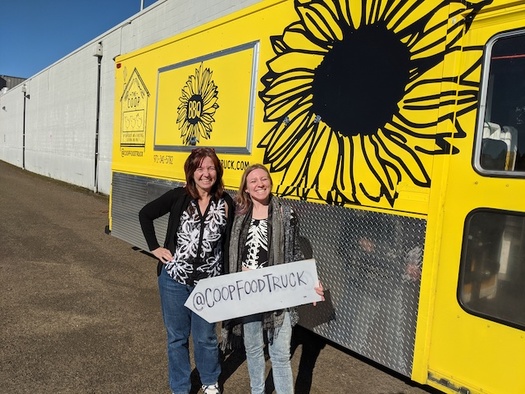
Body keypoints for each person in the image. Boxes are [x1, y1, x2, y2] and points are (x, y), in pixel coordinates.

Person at [138, 147, 234, 394]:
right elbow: (145, 214)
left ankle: (210, 380)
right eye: (200, 168)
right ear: (191, 172)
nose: (206, 173)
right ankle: (180, 387)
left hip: (209, 283)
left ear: (218, 171)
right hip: (174, 280)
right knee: (177, 338)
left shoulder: (226, 203)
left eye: (211, 167)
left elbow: (232, 241)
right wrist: (154, 248)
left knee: (206, 337)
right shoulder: (178, 197)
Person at [222, 164, 324, 394]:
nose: (260, 184)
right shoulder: (238, 215)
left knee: (280, 354)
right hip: (248, 293)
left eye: (263, 179)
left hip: (278, 293)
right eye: (253, 181)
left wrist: (311, 283)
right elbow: (227, 249)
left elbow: (295, 252)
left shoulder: (285, 214)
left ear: (270, 182)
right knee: (254, 349)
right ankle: (257, 391)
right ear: (246, 188)